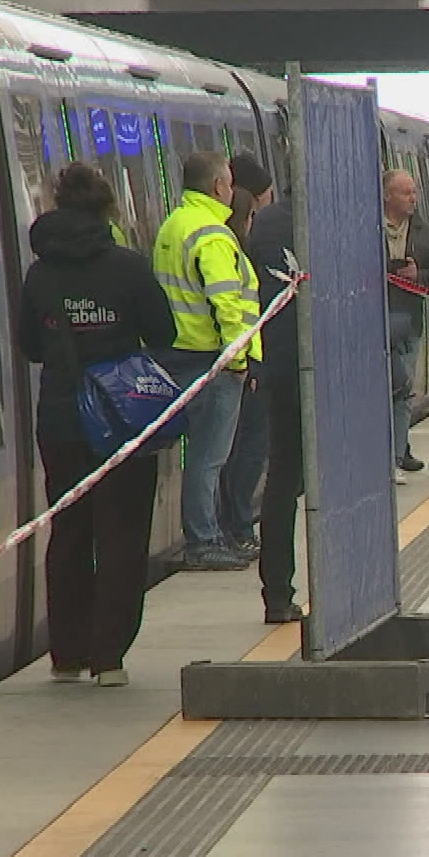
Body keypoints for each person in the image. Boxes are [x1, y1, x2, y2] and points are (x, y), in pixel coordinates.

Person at [18, 162, 176, 685]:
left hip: (62, 420)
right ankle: (108, 657)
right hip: (120, 418)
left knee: (69, 532)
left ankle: (66, 654)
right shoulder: (127, 267)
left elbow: (29, 347)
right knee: (122, 535)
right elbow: (163, 330)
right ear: (107, 206)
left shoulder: (40, 272)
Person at [152, 151, 258, 570]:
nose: (232, 191)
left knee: (198, 457)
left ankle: (204, 535)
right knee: (209, 457)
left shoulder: (174, 225)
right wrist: (238, 357)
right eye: (229, 184)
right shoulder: (211, 234)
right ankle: (205, 540)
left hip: (176, 353)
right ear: (218, 187)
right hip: (211, 360)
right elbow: (227, 301)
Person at [242, 192, 304, 624]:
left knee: (281, 480)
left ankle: (278, 595)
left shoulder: (263, 222)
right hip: (330, 372)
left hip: (277, 364)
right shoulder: (342, 219)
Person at [218, 153, 276, 559]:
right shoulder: (238, 248)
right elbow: (236, 310)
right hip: (242, 363)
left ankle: (230, 523)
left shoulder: (218, 240)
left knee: (226, 450)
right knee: (247, 447)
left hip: (230, 361)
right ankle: (236, 525)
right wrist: (246, 363)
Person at [383, 168, 429, 482]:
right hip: (371, 323)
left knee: (403, 389)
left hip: (408, 324)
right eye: (406, 192)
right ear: (386, 195)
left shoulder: (425, 233)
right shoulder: (363, 228)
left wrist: (417, 276)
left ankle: (395, 455)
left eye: (415, 192)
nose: (413, 199)